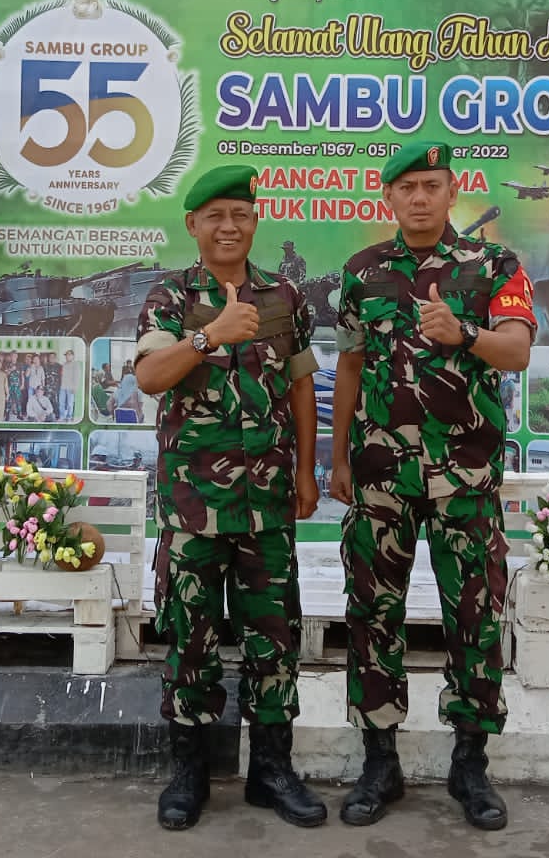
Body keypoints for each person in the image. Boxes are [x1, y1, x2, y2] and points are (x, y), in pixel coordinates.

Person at [330, 140, 535, 832]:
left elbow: (517, 350)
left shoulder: (494, 266)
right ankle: (378, 760)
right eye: (406, 187)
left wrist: (463, 331)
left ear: (453, 192)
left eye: (432, 186)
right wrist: (335, 460)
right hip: (381, 475)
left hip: (464, 476)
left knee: (473, 620)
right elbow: (349, 370)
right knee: (372, 615)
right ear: (388, 198)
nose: (419, 198)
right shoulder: (362, 274)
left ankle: (470, 763)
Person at [135, 165, 326, 831]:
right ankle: (189, 771)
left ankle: (272, 769)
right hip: (193, 505)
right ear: (193, 225)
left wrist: (306, 473)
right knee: (191, 637)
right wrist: (208, 334)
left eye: (240, 214)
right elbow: (151, 377)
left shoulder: (285, 296)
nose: (228, 226)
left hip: (268, 501)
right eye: (214, 215)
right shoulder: (169, 295)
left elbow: (302, 385)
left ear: (254, 221)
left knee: (275, 637)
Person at [60, 349, 79, 420]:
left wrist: (75, 387)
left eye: (68, 355)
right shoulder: (64, 364)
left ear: (72, 356)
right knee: (61, 403)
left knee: (70, 404)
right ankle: (62, 416)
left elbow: (76, 377)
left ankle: (69, 416)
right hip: (63, 387)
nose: (67, 356)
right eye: (66, 355)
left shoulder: (75, 364)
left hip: (70, 387)